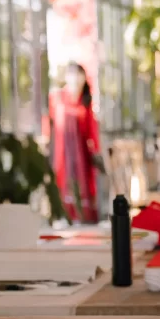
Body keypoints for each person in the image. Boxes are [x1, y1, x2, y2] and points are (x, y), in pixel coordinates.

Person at [50, 63, 101, 222]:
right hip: (62, 152)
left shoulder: (85, 101)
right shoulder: (57, 98)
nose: (76, 79)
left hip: (81, 154)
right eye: (73, 75)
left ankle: (81, 215)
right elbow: (50, 124)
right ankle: (64, 214)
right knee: (64, 182)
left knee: (81, 184)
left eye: (79, 76)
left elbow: (92, 129)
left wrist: (96, 150)